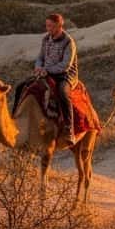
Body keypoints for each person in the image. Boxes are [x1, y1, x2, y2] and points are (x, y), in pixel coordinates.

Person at [33, 13, 80, 141]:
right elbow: (40, 57)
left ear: (60, 26)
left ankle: (69, 129)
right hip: (47, 72)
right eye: (47, 26)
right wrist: (38, 67)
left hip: (65, 75)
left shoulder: (68, 41)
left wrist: (46, 70)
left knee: (62, 92)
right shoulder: (46, 39)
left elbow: (65, 65)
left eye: (52, 26)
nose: (48, 29)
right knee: (25, 86)